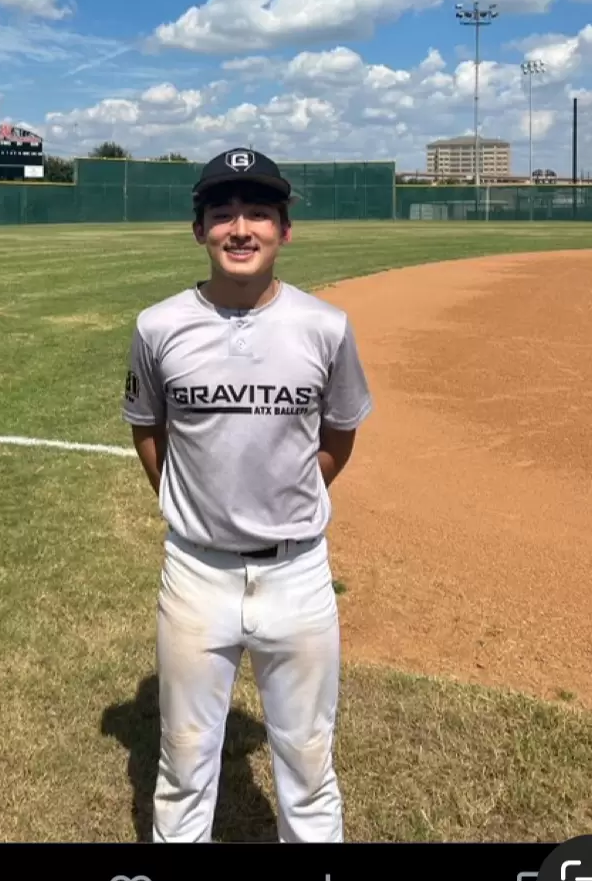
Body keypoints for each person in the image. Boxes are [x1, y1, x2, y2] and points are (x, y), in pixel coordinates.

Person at [120, 147, 373, 843]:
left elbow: (339, 432)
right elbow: (148, 428)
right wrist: (194, 506)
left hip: (298, 574)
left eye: (258, 213)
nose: (240, 229)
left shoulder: (325, 326)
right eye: (222, 213)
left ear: (284, 230)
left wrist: (286, 496)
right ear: (198, 230)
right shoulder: (158, 326)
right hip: (196, 572)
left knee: (309, 767)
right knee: (183, 766)